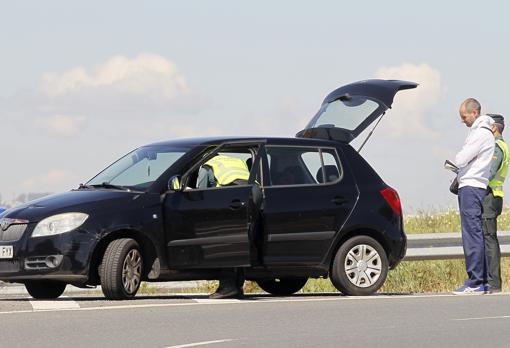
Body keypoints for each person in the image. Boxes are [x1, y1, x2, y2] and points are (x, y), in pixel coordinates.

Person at [452, 98, 495, 295]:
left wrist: (460, 159)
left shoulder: (480, 134)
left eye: (464, 116)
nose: (463, 121)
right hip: (475, 186)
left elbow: (460, 159)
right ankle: (482, 281)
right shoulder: (483, 132)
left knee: (472, 235)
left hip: (471, 187)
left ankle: (475, 281)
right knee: (475, 233)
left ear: (474, 113)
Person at [197, 154, 250, 299]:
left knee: (225, 241)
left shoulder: (207, 165)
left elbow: (200, 193)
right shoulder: (234, 160)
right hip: (252, 195)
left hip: (232, 197)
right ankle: (237, 286)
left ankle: (228, 286)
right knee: (241, 241)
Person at [483, 114, 508, 293]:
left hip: (490, 196)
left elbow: (489, 173)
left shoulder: (497, 147)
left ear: (493, 128)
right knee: (488, 237)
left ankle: (494, 282)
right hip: (493, 196)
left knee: (489, 238)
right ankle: (491, 281)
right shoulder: (500, 146)